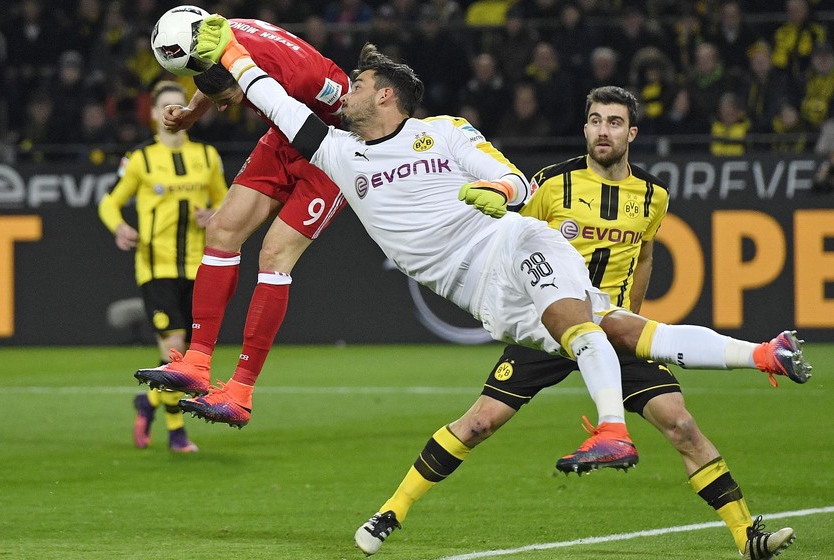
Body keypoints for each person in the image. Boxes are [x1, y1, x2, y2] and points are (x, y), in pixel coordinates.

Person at [193, 16, 810, 468]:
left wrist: (499, 192)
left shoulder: (443, 132)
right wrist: (237, 59)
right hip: (484, 298)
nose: (342, 93)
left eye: (355, 85)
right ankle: (762, 354)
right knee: (623, 329)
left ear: (385, 95)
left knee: (581, 327)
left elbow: (513, 176)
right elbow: (278, 106)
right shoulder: (339, 153)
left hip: (510, 244)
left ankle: (614, 430)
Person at [352, 86, 801, 560]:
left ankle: (745, 536)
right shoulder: (551, 183)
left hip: (610, 326)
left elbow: (644, 256)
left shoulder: (652, 196)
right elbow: (512, 240)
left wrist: (632, 316)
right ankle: (391, 511)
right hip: (547, 321)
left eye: (612, 122)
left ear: (632, 132)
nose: (601, 130)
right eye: (594, 120)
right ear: (585, 127)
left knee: (682, 425)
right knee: (479, 423)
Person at [134, 16, 352, 431]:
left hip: (334, 148)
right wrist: (194, 113)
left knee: (274, 256)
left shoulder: (302, 77)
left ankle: (241, 391)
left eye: (227, 98)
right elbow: (218, 70)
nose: (221, 105)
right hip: (284, 135)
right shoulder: (215, 34)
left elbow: (349, 113)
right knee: (220, 230)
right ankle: (197, 362)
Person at [98, 80, 229, 453]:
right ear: (153, 114)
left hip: (199, 268)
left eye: (180, 104)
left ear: (190, 111)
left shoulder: (207, 157)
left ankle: (149, 401)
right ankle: (177, 433)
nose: (173, 111)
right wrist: (120, 226)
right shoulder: (139, 159)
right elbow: (109, 203)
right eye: (165, 105)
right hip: (156, 267)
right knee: (175, 350)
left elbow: (225, 203)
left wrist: (215, 214)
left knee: (185, 357)